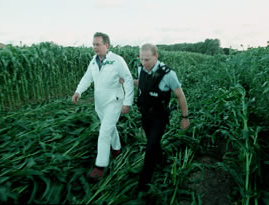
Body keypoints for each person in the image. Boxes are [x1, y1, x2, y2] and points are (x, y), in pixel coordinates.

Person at [71, 32, 134, 181]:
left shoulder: (117, 60)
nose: (95, 47)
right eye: (93, 44)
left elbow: (128, 80)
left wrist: (128, 102)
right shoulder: (93, 61)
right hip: (100, 103)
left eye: (97, 44)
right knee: (110, 128)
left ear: (107, 45)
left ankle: (100, 166)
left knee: (104, 132)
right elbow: (87, 78)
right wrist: (78, 91)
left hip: (114, 101)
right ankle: (117, 149)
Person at [134, 43, 190, 193]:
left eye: (147, 60)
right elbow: (143, 83)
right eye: (142, 59)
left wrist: (185, 117)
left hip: (159, 117)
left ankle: (143, 186)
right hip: (145, 115)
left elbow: (180, 95)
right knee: (153, 143)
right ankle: (161, 159)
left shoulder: (168, 74)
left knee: (150, 147)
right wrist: (127, 82)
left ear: (156, 56)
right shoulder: (141, 68)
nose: (144, 63)